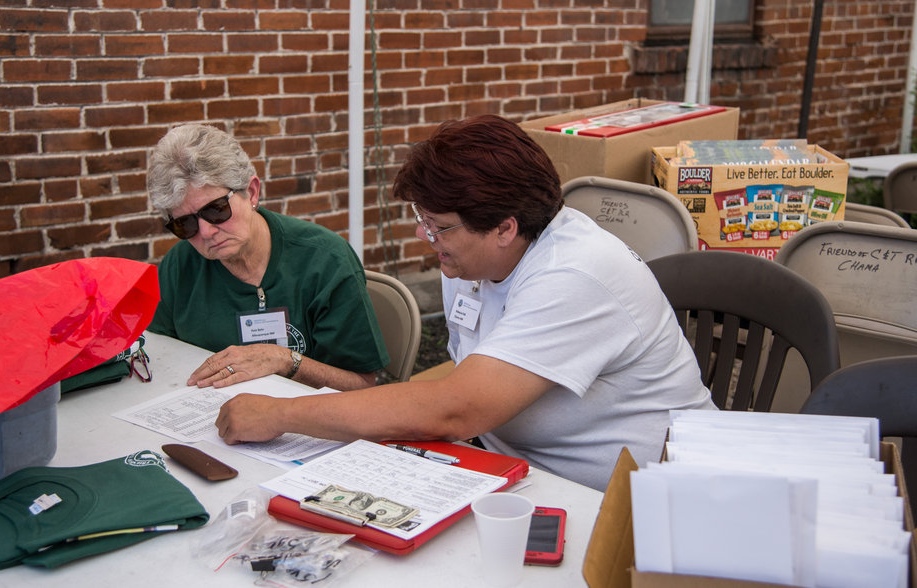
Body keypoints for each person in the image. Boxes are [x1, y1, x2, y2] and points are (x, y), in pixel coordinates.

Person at [209, 114, 715, 491]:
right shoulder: (471, 258)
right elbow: (460, 386)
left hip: (626, 498)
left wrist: (282, 415)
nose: (426, 236)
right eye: (423, 218)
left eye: (440, 225)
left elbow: (458, 408)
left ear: (505, 228)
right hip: (511, 468)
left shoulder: (575, 275)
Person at [146, 124, 389, 391]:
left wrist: (285, 361)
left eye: (216, 210)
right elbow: (157, 359)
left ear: (251, 192)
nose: (206, 232)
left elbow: (362, 385)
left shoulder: (325, 261)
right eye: (185, 224)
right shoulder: (179, 266)